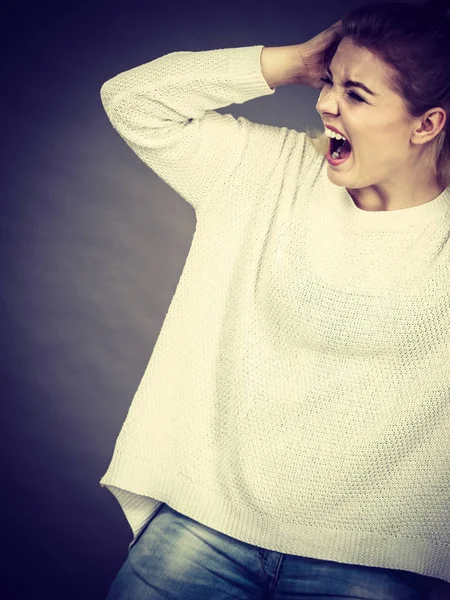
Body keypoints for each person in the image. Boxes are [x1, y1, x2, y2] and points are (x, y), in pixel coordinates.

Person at [100, 1, 450, 598]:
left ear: (427, 124)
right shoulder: (271, 171)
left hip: (376, 563)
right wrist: (292, 62)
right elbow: (132, 100)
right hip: (207, 525)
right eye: (328, 82)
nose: (325, 104)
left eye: (357, 95)